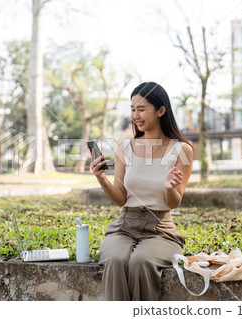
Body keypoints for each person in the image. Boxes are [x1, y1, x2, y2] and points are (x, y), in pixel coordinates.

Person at [90, 82, 193, 301]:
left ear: (161, 110)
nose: (135, 115)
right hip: (124, 226)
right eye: (132, 109)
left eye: (142, 108)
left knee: (140, 261)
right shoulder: (125, 147)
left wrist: (170, 187)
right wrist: (101, 178)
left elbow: (174, 203)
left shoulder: (182, 150)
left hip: (161, 230)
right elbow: (120, 198)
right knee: (116, 260)